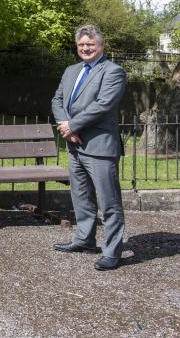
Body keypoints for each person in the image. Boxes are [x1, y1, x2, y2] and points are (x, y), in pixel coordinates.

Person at [51, 24, 127, 271]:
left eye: (90, 45)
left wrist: (72, 126)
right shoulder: (71, 70)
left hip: (100, 147)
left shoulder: (113, 71)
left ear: (101, 46)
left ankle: (112, 251)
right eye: (82, 44)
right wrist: (65, 126)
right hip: (74, 145)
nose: (85, 48)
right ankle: (84, 240)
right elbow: (57, 99)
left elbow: (103, 104)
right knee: (81, 197)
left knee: (109, 202)